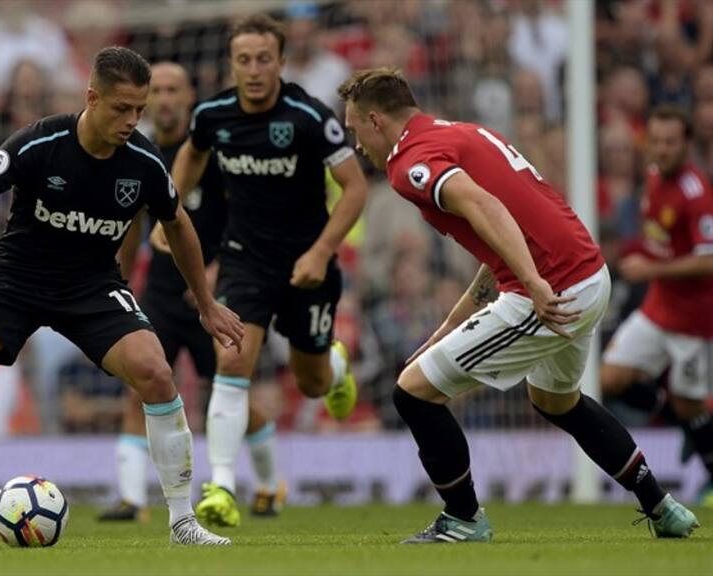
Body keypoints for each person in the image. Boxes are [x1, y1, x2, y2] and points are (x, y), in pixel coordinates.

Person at [338, 68, 699, 543]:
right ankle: (662, 506)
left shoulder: (410, 164)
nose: (357, 145)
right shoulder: (464, 132)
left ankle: (463, 518)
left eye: (354, 130)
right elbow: (505, 232)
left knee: (413, 393)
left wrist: (533, 282)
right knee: (557, 401)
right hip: (588, 273)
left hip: (550, 289)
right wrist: (452, 322)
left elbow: (487, 209)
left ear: (375, 119)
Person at [0, 46, 244, 546]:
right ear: (92, 97)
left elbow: (179, 224)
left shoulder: (144, 162)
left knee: (155, 372)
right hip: (16, 279)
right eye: (121, 108)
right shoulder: (43, 141)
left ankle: (183, 523)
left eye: (139, 110)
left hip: (92, 287)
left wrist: (207, 302)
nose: (131, 121)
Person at [166, 14, 367, 527]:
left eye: (263, 59)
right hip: (244, 259)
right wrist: (171, 208)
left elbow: (355, 187)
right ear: (231, 64)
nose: (253, 70)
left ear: (280, 61)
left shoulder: (307, 115)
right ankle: (223, 487)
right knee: (232, 363)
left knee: (315, 382)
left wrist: (322, 251)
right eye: (243, 60)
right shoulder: (213, 113)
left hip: (307, 265)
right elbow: (190, 155)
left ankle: (336, 366)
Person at [98, 62, 284, 522]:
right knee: (139, 386)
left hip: (211, 294)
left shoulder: (211, 153)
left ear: (189, 96)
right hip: (161, 293)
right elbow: (132, 222)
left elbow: (243, 213)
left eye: (171, 90)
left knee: (227, 387)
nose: (162, 99)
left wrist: (218, 271)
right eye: (155, 91)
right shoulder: (135, 150)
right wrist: (118, 282)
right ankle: (131, 498)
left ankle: (267, 485)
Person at [601, 105, 713, 507]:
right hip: (657, 307)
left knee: (690, 404)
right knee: (610, 378)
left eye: (670, 142)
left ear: (686, 145)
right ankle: (686, 419)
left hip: (693, 320)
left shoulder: (695, 193)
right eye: (656, 141)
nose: (661, 150)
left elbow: (708, 259)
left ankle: (712, 479)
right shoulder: (651, 177)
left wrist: (652, 268)